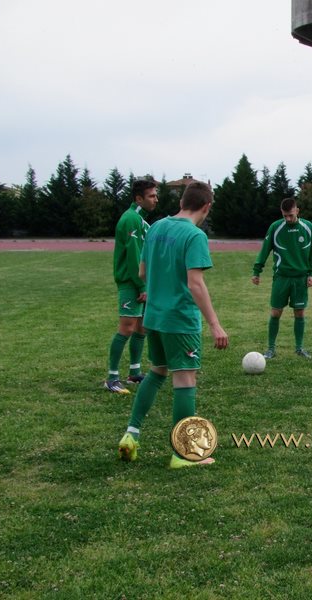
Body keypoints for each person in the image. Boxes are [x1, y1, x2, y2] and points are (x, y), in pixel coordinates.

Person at [117, 181, 229, 469]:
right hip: (179, 319)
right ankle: (183, 454)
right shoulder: (195, 235)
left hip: (153, 317)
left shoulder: (156, 227)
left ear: (181, 202)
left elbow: (142, 271)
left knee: (157, 372)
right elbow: (195, 283)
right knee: (185, 379)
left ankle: (131, 434)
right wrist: (215, 324)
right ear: (207, 206)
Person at [104, 179, 158, 394]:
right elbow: (134, 257)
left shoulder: (140, 220)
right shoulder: (130, 219)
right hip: (131, 283)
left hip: (143, 283)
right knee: (126, 327)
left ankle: (134, 372)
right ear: (138, 198)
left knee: (141, 327)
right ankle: (111, 378)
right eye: (152, 196)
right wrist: (141, 286)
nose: (156, 199)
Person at [252, 197, 312, 360]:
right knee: (276, 312)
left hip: (300, 279)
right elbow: (265, 249)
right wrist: (257, 271)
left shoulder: (308, 227)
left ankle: (299, 348)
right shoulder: (275, 227)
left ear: (297, 211)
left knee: (299, 313)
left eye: (290, 215)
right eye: (284, 216)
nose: (288, 219)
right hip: (281, 277)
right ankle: (271, 349)